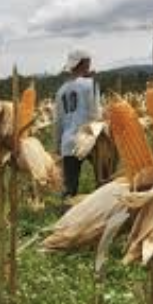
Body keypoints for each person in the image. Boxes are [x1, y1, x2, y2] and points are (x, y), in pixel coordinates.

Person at [54, 49, 102, 202]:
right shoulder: (90, 84)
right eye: (88, 61)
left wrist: (57, 146)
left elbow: (58, 121)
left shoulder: (60, 91)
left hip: (67, 142)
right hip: (88, 139)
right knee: (102, 183)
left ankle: (64, 216)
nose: (90, 64)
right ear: (83, 63)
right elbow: (96, 114)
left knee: (70, 189)